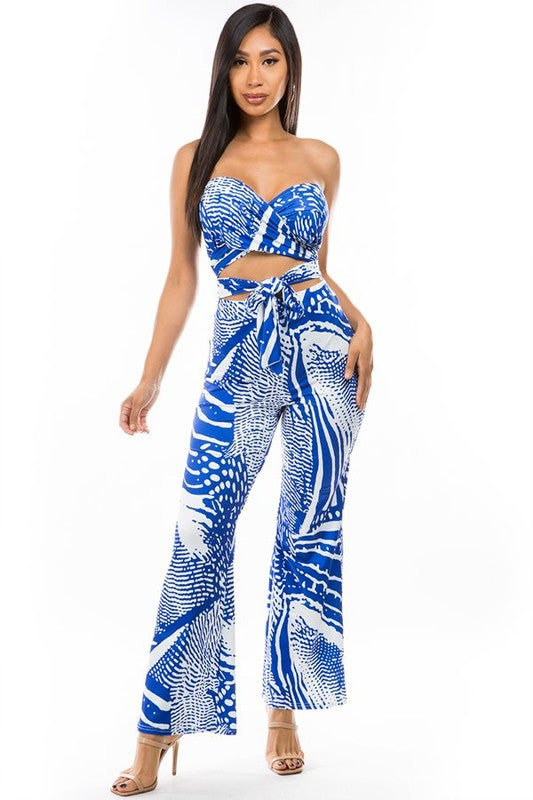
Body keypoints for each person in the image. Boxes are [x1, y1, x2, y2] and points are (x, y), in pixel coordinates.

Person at [112, 3, 373, 794]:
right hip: (238, 349)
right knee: (201, 533)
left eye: (269, 60)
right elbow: (181, 277)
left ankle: (283, 714)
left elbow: (315, 267)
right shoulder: (196, 158)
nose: (254, 77)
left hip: (324, 348)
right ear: (222, 70)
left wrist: (361, 322)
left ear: (290, 68)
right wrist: (151, 376)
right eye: (239, 60)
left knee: (306, 528)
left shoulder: (321, 158)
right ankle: (157, 730)